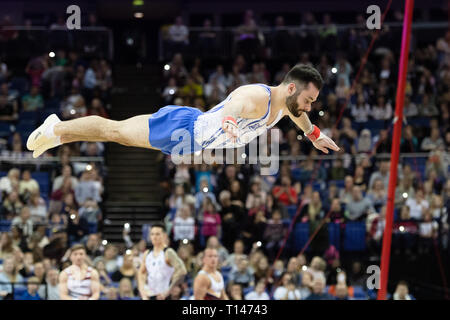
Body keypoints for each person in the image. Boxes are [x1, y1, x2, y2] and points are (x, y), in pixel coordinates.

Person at [27, 64, 339, 158]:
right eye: (308, 99)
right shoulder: (258, 95)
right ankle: (56, 129)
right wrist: (230, 121)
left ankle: (58, 133)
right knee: (115, 131)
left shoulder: (287, 107)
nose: (309, 107)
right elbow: (235, 104)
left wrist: (313, 134)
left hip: (190, 142)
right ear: (291, 88)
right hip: (184, 128)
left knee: (118, 135)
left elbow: (299, 115)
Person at [137, 222, 187, 300]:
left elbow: (182, 271)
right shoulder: (147, 253)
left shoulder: (168, 252)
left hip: (163, 295)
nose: (154, 237)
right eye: (152, 234)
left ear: (164, 236)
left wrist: (168, 291)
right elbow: (141, 273)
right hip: (150, 295)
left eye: (157, 234)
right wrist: (142, 291)